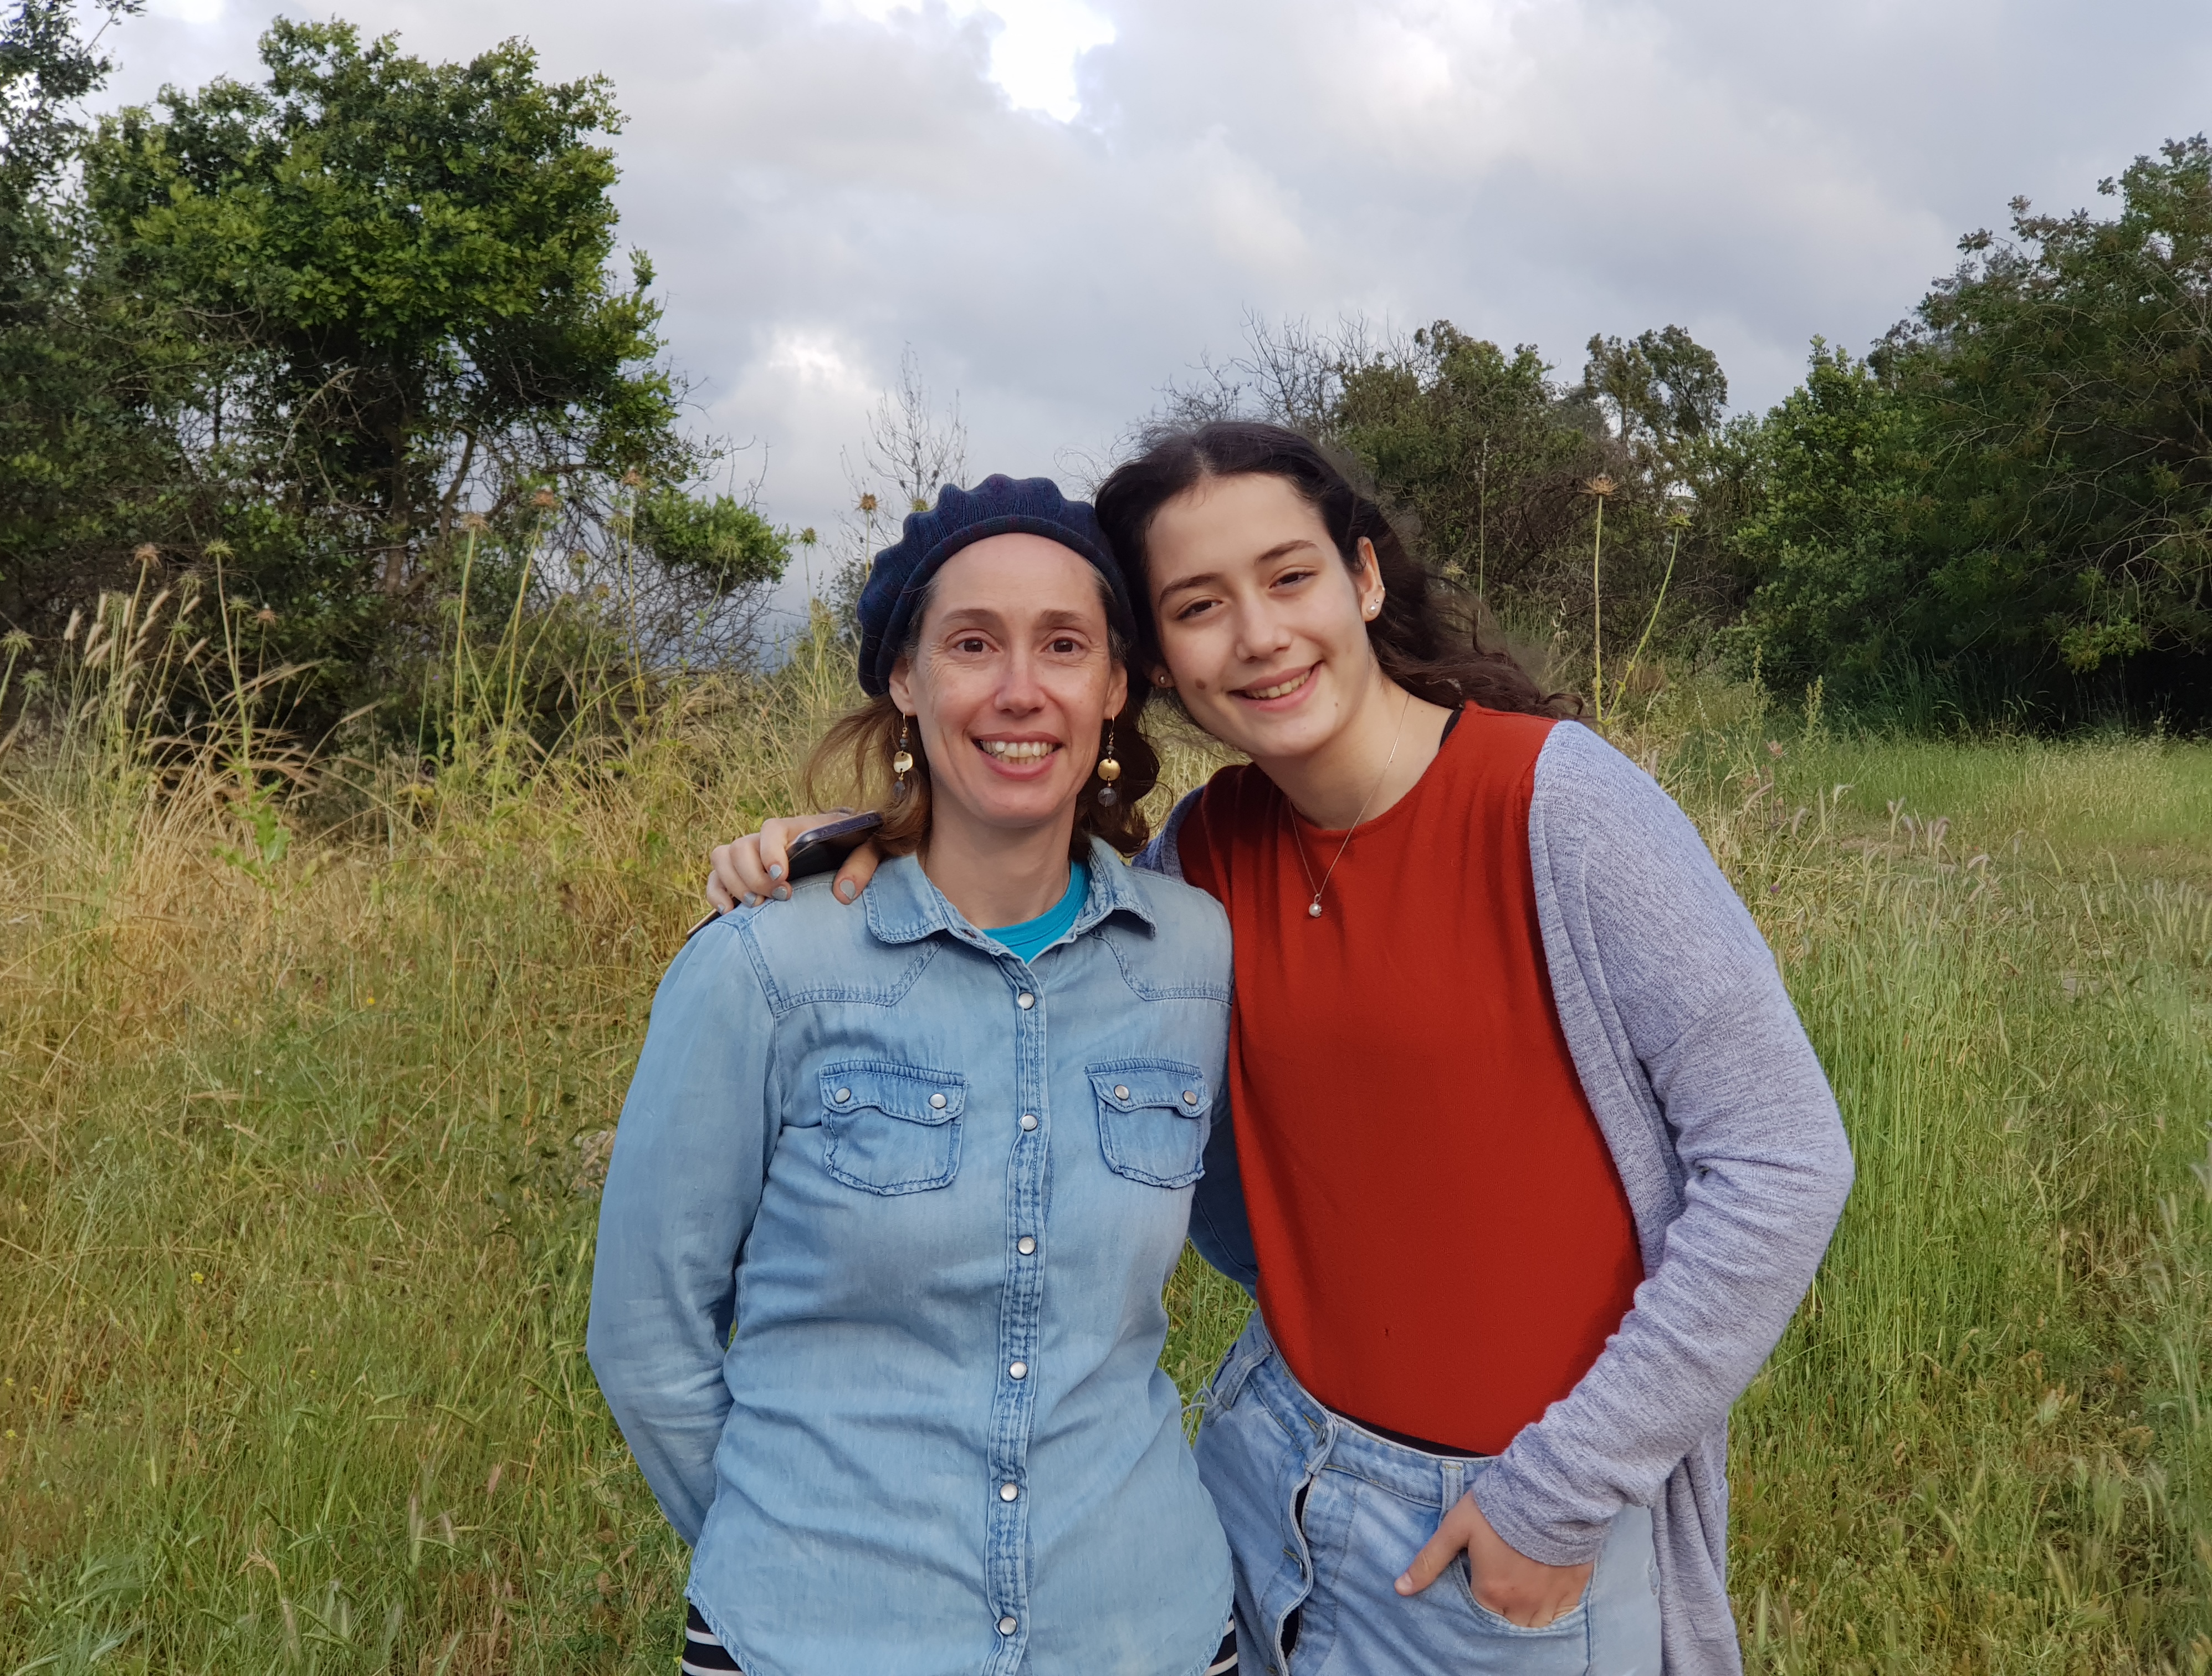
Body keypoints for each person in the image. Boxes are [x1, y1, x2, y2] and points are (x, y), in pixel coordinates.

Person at [706, 425, 1854, 1676]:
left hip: (1506, 1529)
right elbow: (1032, 942)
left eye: (1290, 578)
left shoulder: (1556, 805)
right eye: (1200, 606)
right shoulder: (1208, 853)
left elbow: (1785, 1162)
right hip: (1266, 1481)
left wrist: (1560, 1494)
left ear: (1364, 579)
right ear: (1158, 664)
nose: (1258, 636)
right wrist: (866, 844)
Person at [590, 474, 1243, 1676]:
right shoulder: (765, 964)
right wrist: (794, 1551)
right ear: (904, 678)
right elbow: (644, 1335)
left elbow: (1279, 1250)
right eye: (972, 644)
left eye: (1064, 645)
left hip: (1141, 1631)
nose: (1019, 690)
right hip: (814, 1641)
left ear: (1115, 686)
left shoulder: (1197, 957)